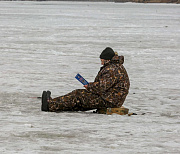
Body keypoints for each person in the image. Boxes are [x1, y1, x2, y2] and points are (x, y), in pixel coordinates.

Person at [41, 47, 130, 112]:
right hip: (110, 98)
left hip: (109, 100)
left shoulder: (111, 69)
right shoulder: (115, 67)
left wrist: (89, 86)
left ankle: (50, 105)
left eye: (102, 60)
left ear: (107, 60)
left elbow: (101, 87)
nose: (101, 62)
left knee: (78, 96)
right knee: (78, 96)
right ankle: (53, 103)